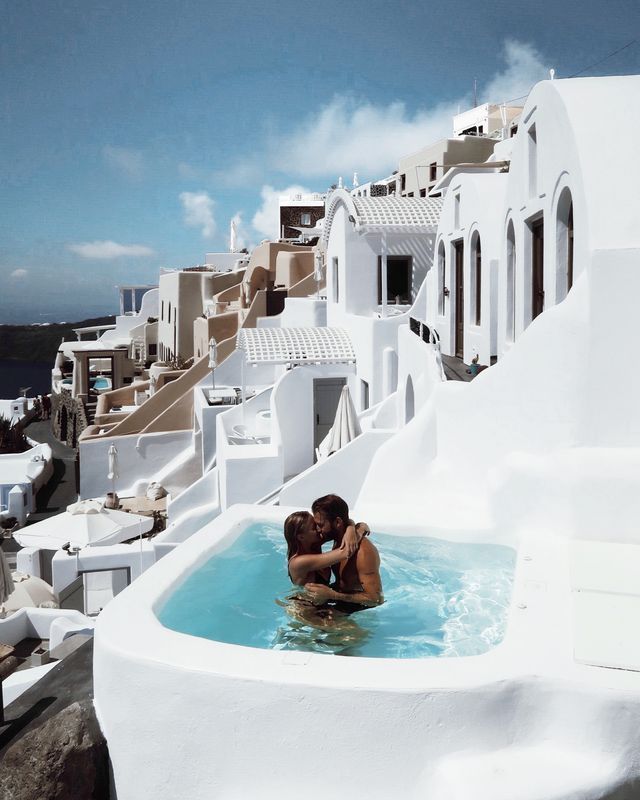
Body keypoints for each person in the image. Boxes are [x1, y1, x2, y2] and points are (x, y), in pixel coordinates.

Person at [308, 494, 383, 609]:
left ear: (337, 522)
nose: (318, 530)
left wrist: (333, 595)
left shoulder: (363, 553)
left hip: (356, 608)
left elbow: (376, 599)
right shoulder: (338, 539)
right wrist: (353, 527)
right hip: (339, 598)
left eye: (320, 525)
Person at [284, 510, 361, 587]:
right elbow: (346, 551)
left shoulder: (314, 544)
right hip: (305, 599)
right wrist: (358, 532)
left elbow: (343, 523)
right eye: (314, 527)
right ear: (301, 537)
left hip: (324, 596)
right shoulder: (299, 562)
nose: (319, 529)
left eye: (318, 524)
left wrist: (350, 529)